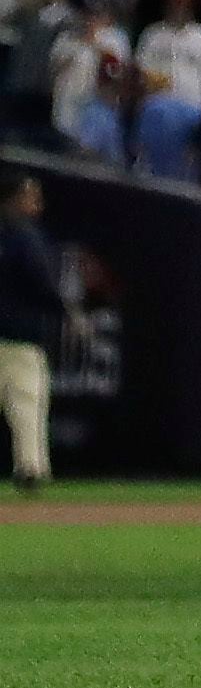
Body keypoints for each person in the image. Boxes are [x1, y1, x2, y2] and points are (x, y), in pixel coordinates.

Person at [0, 170, 54, 492]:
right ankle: (30, 468)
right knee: (26, 402)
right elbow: (41, 282)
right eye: (30, 196)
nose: (36, 204)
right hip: (20, 335)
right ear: (13, 198)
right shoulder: (25, 235)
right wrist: (64, 309)